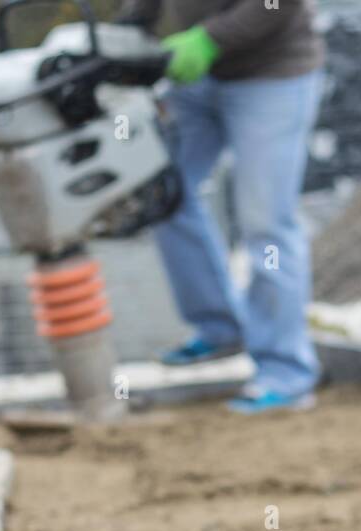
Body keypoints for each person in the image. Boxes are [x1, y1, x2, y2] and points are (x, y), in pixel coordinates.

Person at [118, 0, 325, 413]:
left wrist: (210, 39)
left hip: (273, 76)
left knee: (266, 222)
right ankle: (219, 327)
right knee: (163, 196)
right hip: (195, 79)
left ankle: (287, 373)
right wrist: (124, 33)